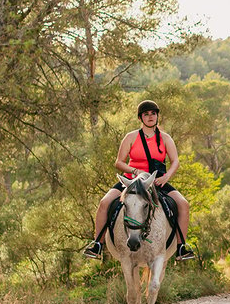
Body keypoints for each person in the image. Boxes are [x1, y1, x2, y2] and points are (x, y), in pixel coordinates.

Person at [83, 99, 197, 261]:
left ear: (157, 116)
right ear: (140, 118)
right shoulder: (131, 137)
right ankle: (97, 245)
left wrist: (166, 177)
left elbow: (175, 162)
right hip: (131, 182)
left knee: (183, 204)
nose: (150, 117)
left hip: (156, 181)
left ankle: (181, 247)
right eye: (146, 114)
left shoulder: (165, 138)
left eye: (153, 113)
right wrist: (135, 171)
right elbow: (119, 162)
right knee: (104, 203)